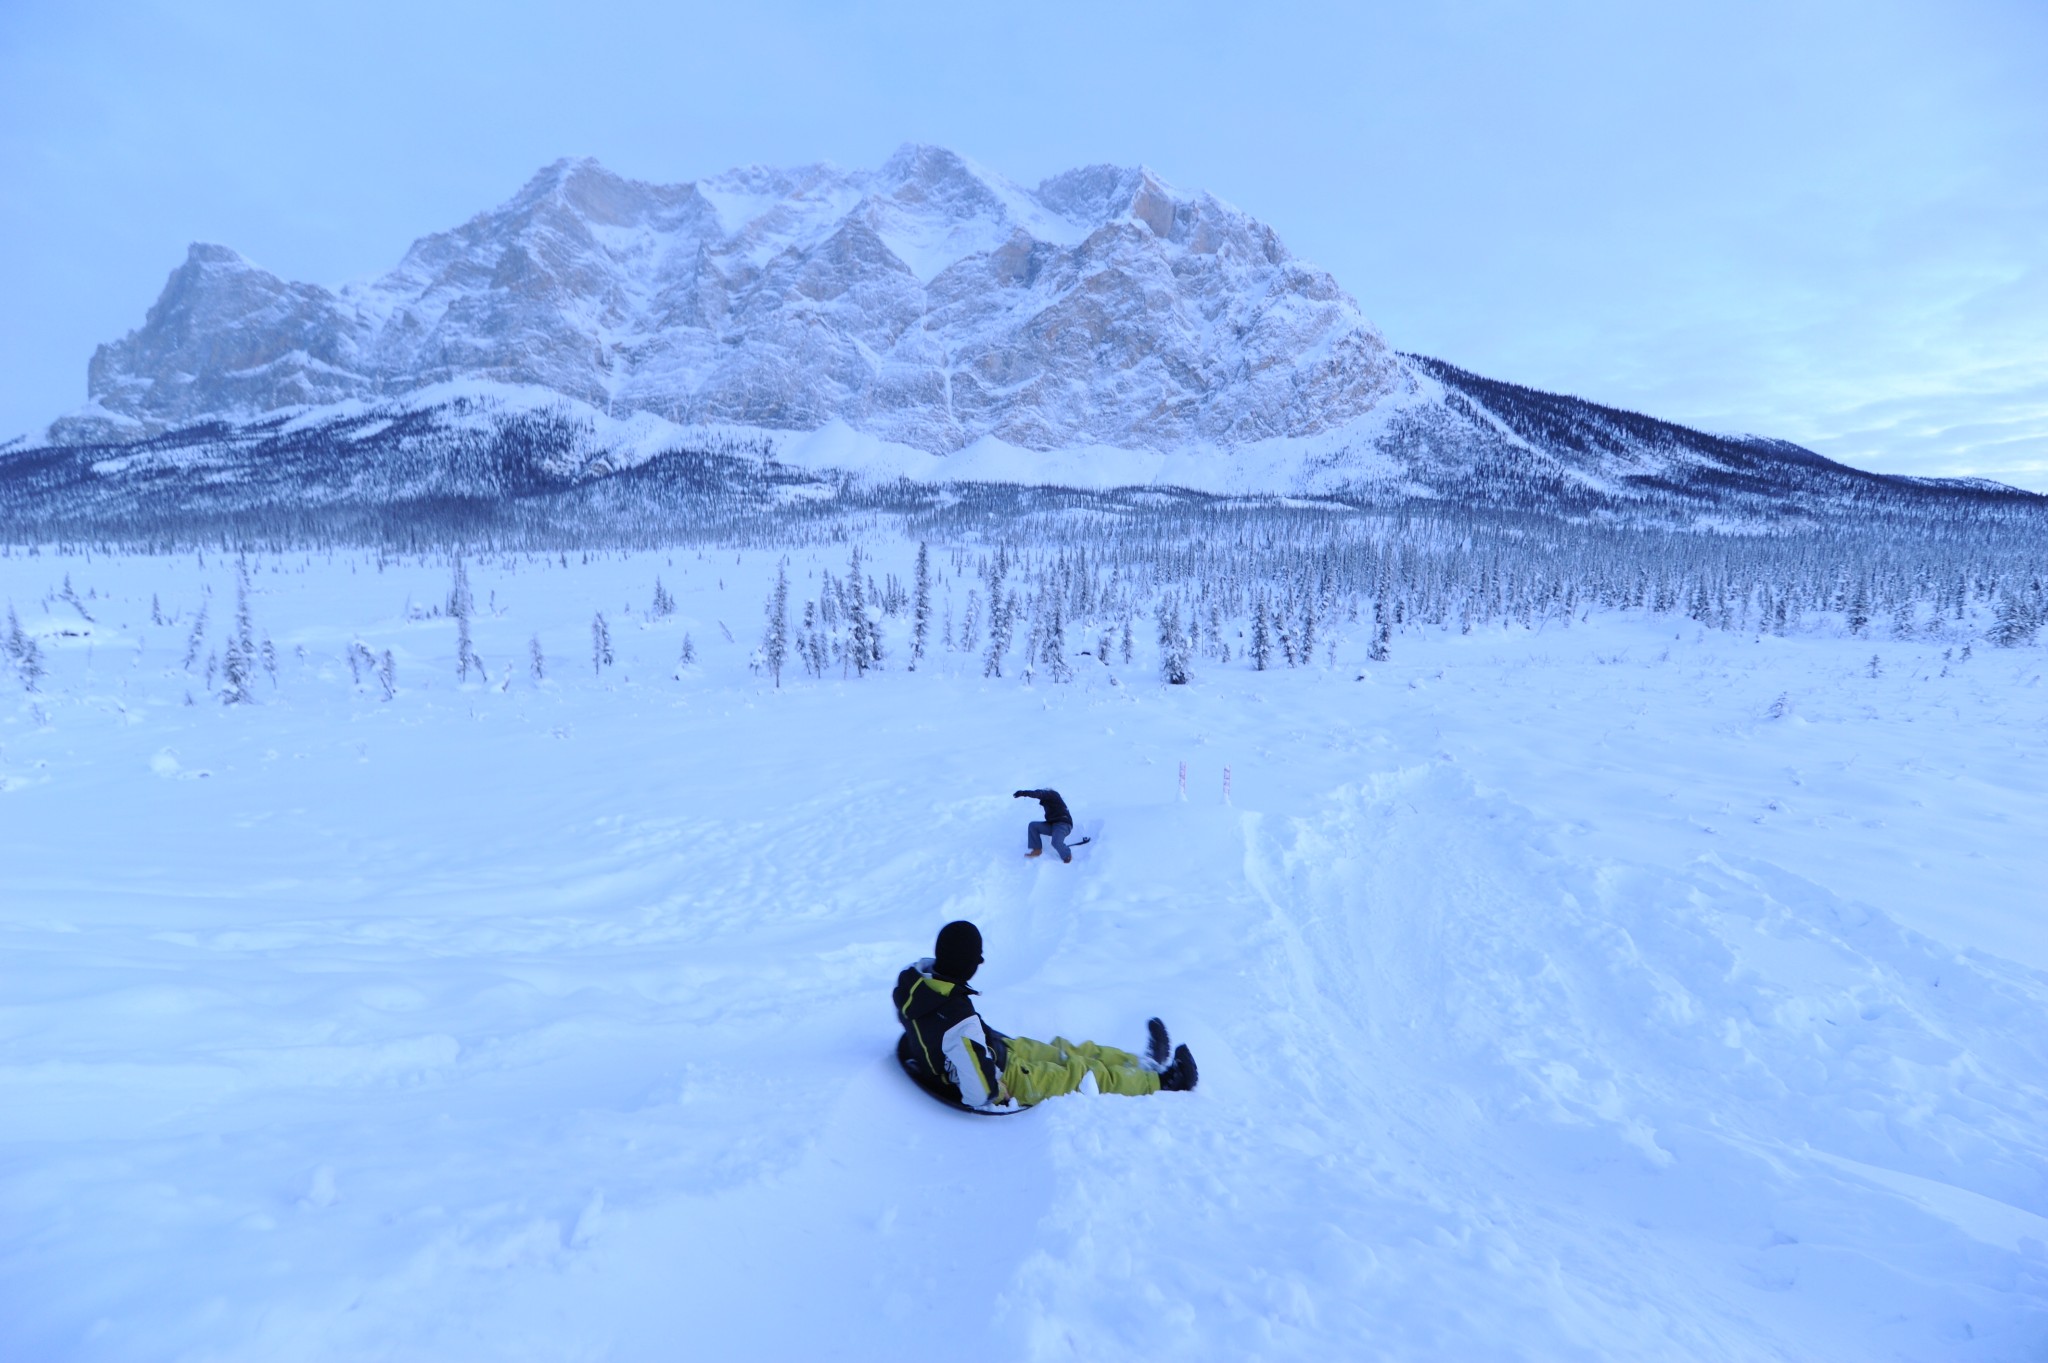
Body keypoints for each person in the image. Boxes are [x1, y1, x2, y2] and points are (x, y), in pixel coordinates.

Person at [893, 919, 1197, 1110]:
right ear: (967, 966)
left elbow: (934, 1033)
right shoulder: (960, 1022)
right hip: (1009, 1079)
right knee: (1083, 1074)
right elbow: (978, 1093)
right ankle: (1164, 1082)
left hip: (997, 1050)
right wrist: (995, 1090)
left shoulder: (915, 983)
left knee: (1067, 1051)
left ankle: (1142, 1064)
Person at [1013, 788, 1075, 862]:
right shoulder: (1049, 802)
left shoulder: (1052, 794)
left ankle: (1067, 855)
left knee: (1056, 842)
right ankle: (1037, 850)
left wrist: (1023, 793)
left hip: (1063, 824)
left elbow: (1039, 793)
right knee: (1033, 825)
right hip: (1053, 825)